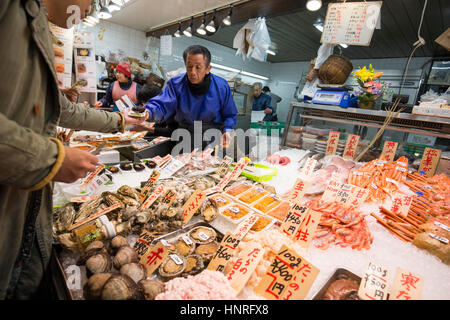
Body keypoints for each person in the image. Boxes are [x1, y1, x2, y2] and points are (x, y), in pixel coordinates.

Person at [0, 0, 147, 299]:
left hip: (21, 217)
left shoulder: (37, 23)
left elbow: (65, 109)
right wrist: (53, 159)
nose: (91, 9)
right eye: (92, 1)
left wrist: (121, 121)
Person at [143, 45, 237, 150]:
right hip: (183, 136)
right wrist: (147, 112)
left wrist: (227, 130)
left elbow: (230, 115)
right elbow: (162, 104)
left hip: (211, 137)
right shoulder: (176, 83)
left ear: (208, 68)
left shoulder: (221, 86)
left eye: (198, 67)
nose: (192, 72)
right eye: (189, 66)